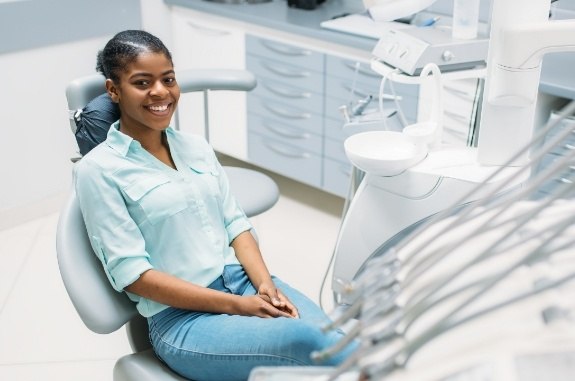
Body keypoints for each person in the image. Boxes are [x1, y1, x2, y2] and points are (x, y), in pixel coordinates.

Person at [74, 29, 356, 381]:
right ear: (113, 90)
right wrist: (239, 307)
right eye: (142, 83)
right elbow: (134, 277)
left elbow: (235, 223)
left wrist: (265, 285)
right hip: (181, 321)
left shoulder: (196, 147)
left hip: (242, 282)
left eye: (168, 79)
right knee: (310, 341)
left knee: (341, 338)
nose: (160, 92)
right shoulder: (97, 171)